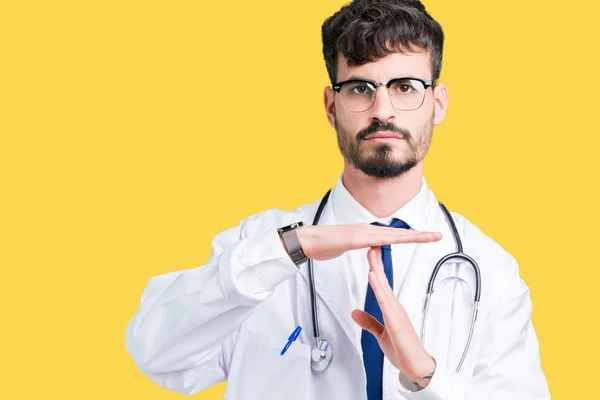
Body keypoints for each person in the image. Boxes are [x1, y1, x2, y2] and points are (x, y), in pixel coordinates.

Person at [125, 0, 550, 398]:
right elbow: (155, 353)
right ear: (331, 106)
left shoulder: (489, 269)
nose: (382, 109)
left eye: (405, 87)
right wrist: (288, 249)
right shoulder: (260, 242)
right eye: (361, 88)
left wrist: (426, 378)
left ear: (437, 104)